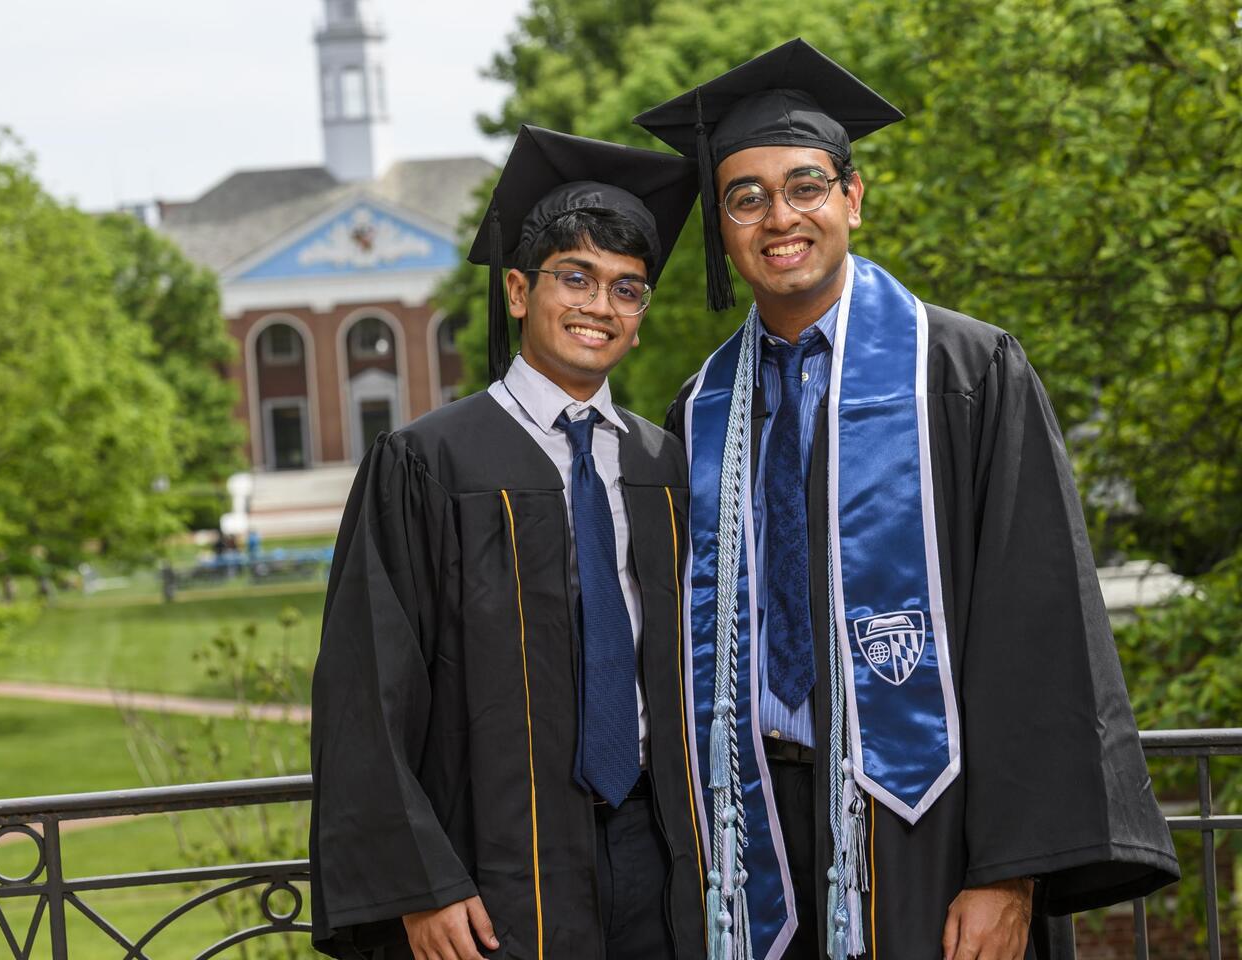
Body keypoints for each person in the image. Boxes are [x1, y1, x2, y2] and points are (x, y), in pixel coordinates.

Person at [633, 38, 1179, 960]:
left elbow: (1039, 628)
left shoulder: (965, 373)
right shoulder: (700, 409)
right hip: (755, 832)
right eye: (746, 196)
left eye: (805, 185)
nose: (780, 217)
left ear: (852, 197)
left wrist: (1007, 870)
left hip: (931, 821)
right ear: (723, 228)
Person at [310, 124, 708, 960]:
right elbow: (364, 694)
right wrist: (423, 883)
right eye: (577, 278)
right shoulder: (426, 462)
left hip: (657, 856)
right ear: (520, 292)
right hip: (494, 865)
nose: (601, 306)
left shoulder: (660, 460)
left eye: (627, 289)